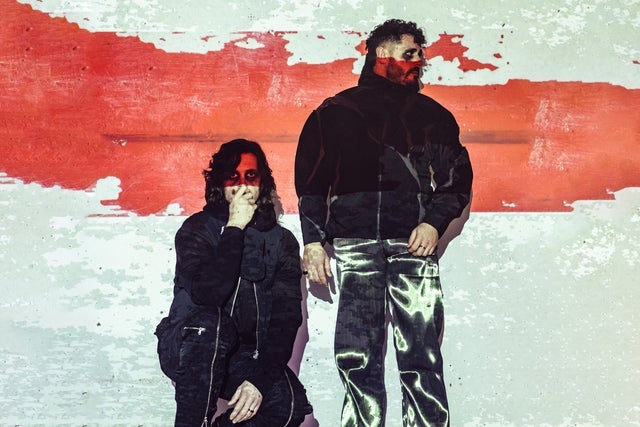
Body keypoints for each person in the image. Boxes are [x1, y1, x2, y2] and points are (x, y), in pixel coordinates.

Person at [294, 19, 473, 427]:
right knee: (356, 356)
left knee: (422, 354)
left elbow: (456, 180)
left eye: (420, 56)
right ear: (382, 55)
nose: (418, 63)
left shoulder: (432, 116)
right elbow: (311, 182)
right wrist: (313, 241)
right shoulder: (334, 112)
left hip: (413, 247)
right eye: (409, 54)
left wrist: (433, 223)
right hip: (355, 247)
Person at [165, 139, 312, 426]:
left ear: (262, 183)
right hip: (191, 346)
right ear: (220, 184)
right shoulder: (197, 229)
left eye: (251, 176)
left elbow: (286, 319)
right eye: (233, 177)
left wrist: (257, 382)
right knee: (212, 323)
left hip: (242, 356)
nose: (243, 186)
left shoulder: (282, 242)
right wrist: (234, 227)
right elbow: (208, 295)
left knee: (288, 404)